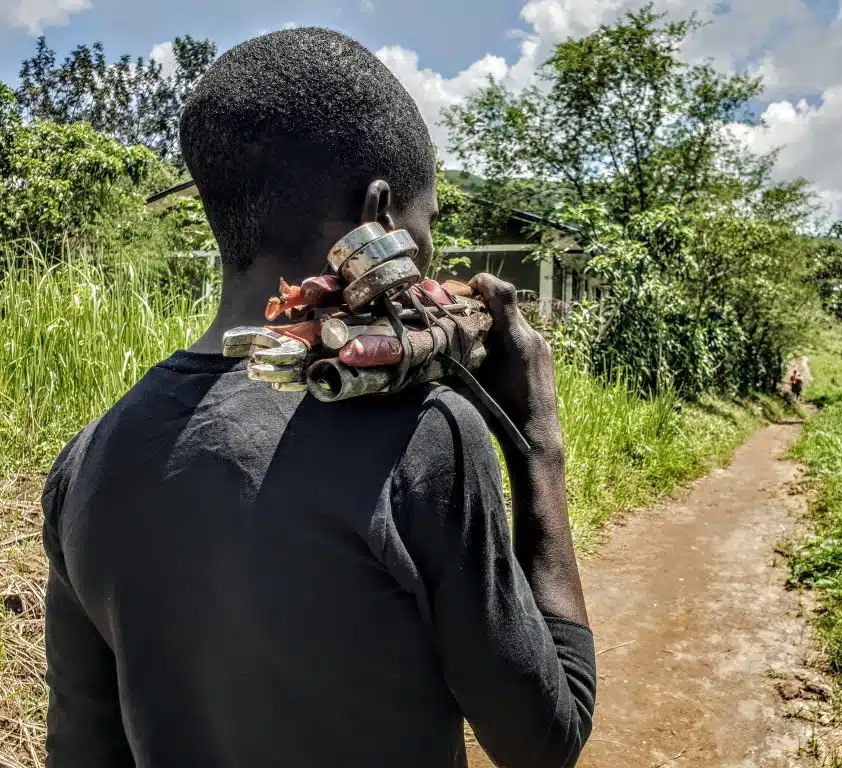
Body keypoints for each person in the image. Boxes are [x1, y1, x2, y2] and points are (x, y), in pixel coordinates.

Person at [41, 28, 596, 768]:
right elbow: (545, 741)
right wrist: (537, 447)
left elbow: (83, 752)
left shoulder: (88, 460)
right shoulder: (425, 436)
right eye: (426, 225)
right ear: (381, 216)